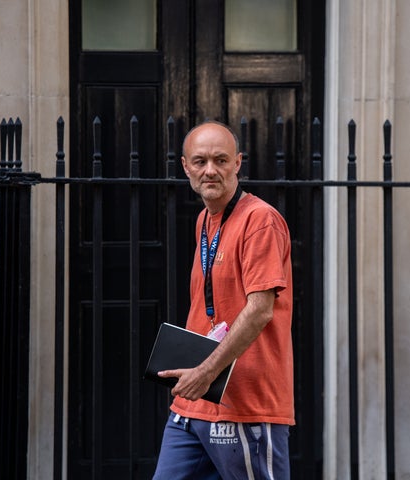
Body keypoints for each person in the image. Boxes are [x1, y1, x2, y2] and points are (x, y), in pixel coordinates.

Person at [153, 121, 295, 479]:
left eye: (220, 159)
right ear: (185, 166)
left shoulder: (260, 220)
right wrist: (199, 379)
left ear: (238, 163)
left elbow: (260, 310)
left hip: (245, 403)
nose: (210, 170)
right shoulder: (205, 218)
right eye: (200, 161)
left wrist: (205, 372)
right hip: (195, 403)